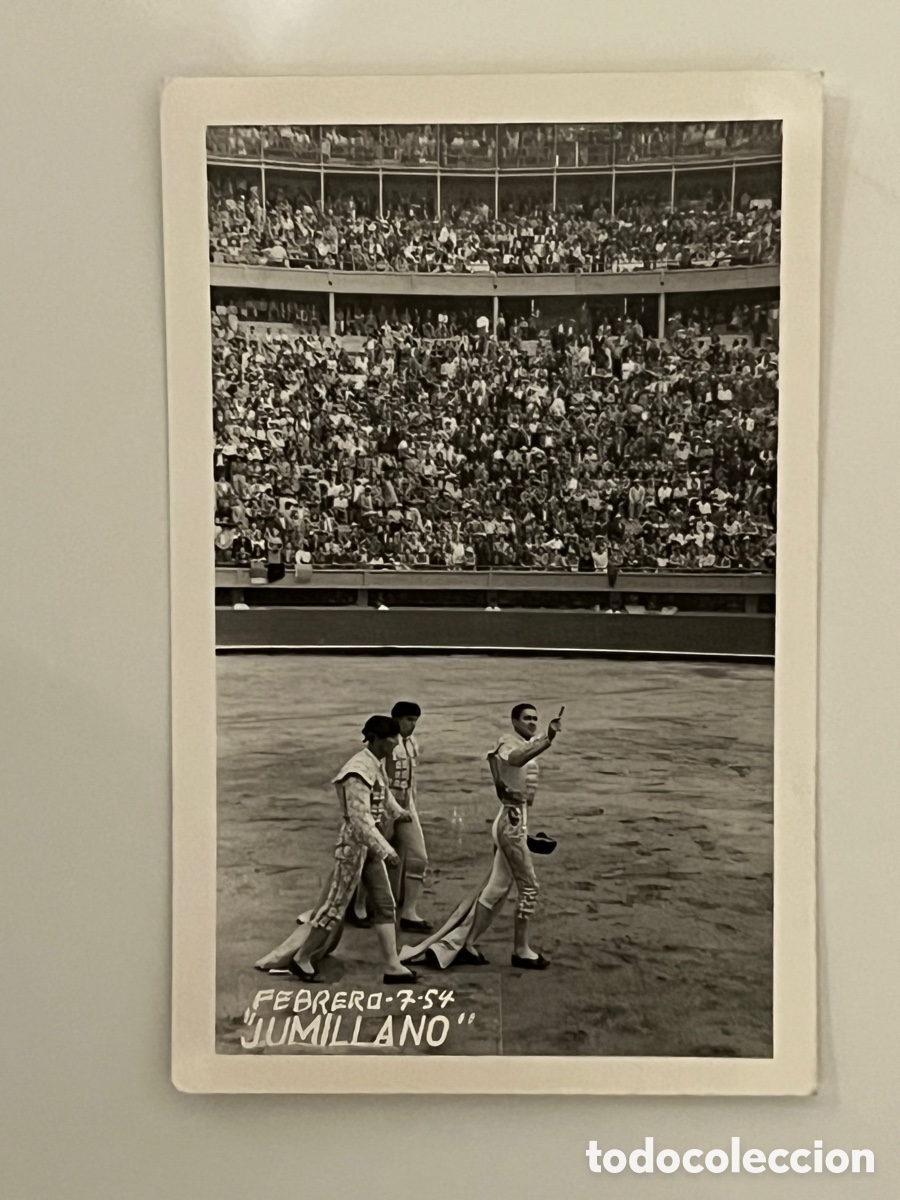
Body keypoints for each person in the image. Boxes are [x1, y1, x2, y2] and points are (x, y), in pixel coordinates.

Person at [255, 716, 417, 984]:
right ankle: (302, 958)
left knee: (385, 904)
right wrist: (386, 849)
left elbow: (383, 793)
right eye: (391, 741)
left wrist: (398, 812)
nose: (395, 746)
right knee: (334, 907)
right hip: (353, 847)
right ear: (376, 739)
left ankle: (392, 965)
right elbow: (360, 820)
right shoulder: (356, 771)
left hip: (368, 849)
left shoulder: (375, 765)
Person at [401, 702, 563, 971]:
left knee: (496, 888)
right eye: (526, 719)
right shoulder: (510, 744)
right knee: (530, 887)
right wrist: (548, 739)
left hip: (512, 820)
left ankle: (459, 944)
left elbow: (502, 763)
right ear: (514, 721)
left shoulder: (509, 742)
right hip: (512, 824)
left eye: (535, 719)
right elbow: (515, 759)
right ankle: (521, 951)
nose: (532, 722)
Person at [385, 701, 432, 931]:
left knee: (418, 857)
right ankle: (360, 908)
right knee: (371, 857)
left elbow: (412, 782)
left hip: (406, 803)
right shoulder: (384, 743)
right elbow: (379, 783)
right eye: (408, 720)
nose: (412, 725)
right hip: (383, 806)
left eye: (415, 720)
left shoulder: (413, 743)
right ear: (396, 719)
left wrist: (411, 808)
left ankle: (409, 912)